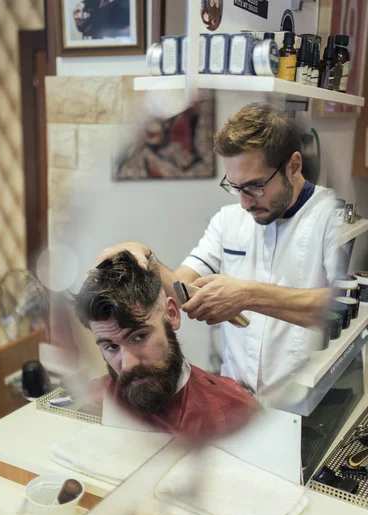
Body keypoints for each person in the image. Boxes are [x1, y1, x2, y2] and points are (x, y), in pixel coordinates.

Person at [96, 103, 339, 403]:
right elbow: (183, 288)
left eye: (254, 186)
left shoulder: (334, 219)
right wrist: (148, 259)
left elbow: (343, 307)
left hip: (306, 401)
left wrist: (249, 295)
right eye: (235, 187)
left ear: (293, 166)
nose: (244, 203)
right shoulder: (228, 220)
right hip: (237, 398)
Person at [74, 251, 257, 437]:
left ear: (172, 314)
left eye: (139, 337)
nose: (128, 365)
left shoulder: (234, 412)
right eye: (111, 347)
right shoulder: (97, 399)